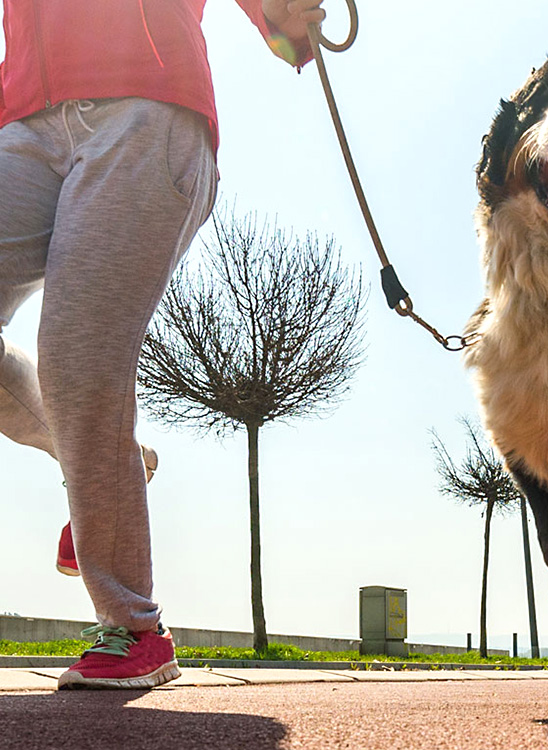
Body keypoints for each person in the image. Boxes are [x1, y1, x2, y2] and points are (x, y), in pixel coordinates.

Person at [0, 0, 325, 690]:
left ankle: (135, 628)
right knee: (78, 392)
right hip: (23, 118)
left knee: (78, 358)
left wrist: (281, 17)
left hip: (147, 106)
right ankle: (101, 469)